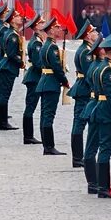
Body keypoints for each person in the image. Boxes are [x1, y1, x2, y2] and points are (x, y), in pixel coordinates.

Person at [84, 31, 111, 199]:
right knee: (105, 149)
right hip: (105, 112)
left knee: (96, 147)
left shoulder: (99, 66)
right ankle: (104, 188)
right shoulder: (109, 70)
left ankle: (98, 185)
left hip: (97, 109)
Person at [35, 15, 70, 156]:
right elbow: (56, 67)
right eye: (56, 27)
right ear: (50, 30)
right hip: (51, 83)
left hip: (45, 81)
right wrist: (64, 80)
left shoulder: (46, 45)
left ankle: (47, 145)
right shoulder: (52, 47)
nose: (58, 29)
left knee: (45, 115)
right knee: (49, 115)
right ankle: (49, 146)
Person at [67, 20, 99, 168]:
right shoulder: (86, 51)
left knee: (79, 122)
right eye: (93, 32)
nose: (96, 34)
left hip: (83, 88)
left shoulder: (87, 49)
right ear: (87, 36)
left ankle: (78, 157)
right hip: (84, 89)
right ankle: (78, 157)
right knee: (79, 123)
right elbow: (89, 73)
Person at [0, 7, 24, 132]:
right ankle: (3, 122)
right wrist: (21, 62)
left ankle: (2, 120)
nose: (20, 18)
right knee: (5, 95)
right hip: (8, 67)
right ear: (12, 20)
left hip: (5, 65)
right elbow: (11, 54)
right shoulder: (12, 36)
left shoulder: (11, 33)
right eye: (17, 17)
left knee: (3, 94)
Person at [21, 13, 45, 145]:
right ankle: (28, 136)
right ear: (36, 27)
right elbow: (38, 63)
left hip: (36, 77)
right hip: (34, 78)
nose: (44, 24)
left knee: (31, 106)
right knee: (30, 107)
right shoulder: (36, 43)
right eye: (42, 23)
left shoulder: (39, 40)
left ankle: (29, 135)